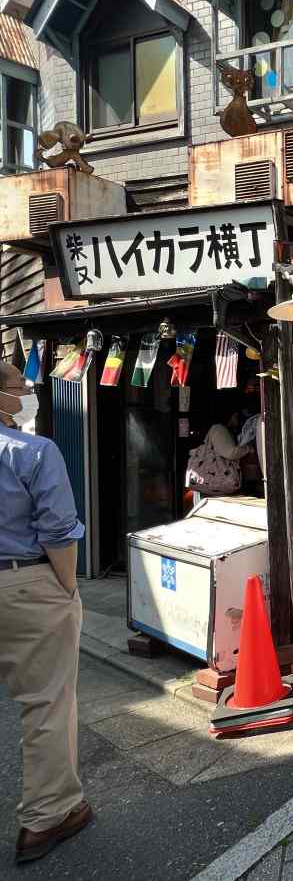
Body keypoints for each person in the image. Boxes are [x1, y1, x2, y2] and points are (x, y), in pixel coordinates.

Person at [0, 363, 93, 863]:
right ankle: (47, 817)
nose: (27, 395)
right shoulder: (33, 451)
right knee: (47, 704)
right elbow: (58, 529)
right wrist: (67, 590)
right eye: (20, 388)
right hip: (25, 582)